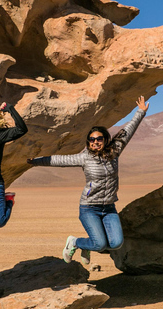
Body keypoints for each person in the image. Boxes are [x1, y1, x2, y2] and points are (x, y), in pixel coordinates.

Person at [27, 95, 149, 264]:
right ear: (88, 142)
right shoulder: (84, 158)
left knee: (116, 243)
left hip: (109, 207)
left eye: (99, 139)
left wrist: (140, 112)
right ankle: (75, 242)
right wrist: (34, 162)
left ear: (105, 140)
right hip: (89, 207)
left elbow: (127, 132)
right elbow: (58, 160)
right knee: (99, 244)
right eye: (92, 140)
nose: (95, 142)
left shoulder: (114, 152)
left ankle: (87, 246)